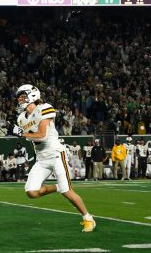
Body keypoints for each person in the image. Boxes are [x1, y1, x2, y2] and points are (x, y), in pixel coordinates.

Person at [13, 84, 95, 232]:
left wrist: (21, 134)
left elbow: (42, 135)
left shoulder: (44, 108)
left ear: (32, 95)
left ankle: (88, 218)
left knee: (67, 191)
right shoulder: (21, 119)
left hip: (56, 154)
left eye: (22, 95)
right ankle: (57, 187)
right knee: (31, 191)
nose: (20, 99)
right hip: (41, 159)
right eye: (19, 96)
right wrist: (22, 133)